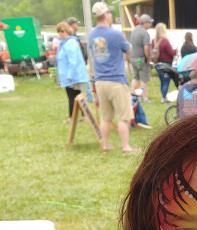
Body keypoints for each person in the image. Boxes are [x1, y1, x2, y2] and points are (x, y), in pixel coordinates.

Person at [88, 2, 137, 153]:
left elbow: (92, 57)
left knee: (106, 117)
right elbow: (129, 50)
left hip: (100, 81)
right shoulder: (115, 34)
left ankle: (105, 145)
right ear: (106, 15)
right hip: (116, 80)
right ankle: (126, 147)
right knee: (123, 116)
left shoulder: (91, 35)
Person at [55, 21, 89, 120]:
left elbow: (73, 60)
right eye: (58, 32)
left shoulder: (70, 43)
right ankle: (84, 116)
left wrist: (69, 75)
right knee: (77, 96)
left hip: (73, 76)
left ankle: (72, 118)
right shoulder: (65, 43)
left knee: (72, 97)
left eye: (61, 31)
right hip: (69, 75)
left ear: (65, 31)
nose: (60, 34)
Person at [129, 13, 153, 101]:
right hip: (141, 59)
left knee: (136, 77)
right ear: (145, 23)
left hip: (133, 58)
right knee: (144, 79)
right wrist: (148, 59)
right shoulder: (145, 33)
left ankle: (133, 95)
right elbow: (146, 48)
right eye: (149, 22)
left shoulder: (134, 31)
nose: (150, 24)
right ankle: (145, 97)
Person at [153, 22, 177, 103]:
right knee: (166, 81)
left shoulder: (154, 41)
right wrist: (176, 50)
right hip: (166, 64)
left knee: (162, 81)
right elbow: (172, 53)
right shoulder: (165, 41)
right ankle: (163, 98)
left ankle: (163, 96)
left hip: (157, 64)